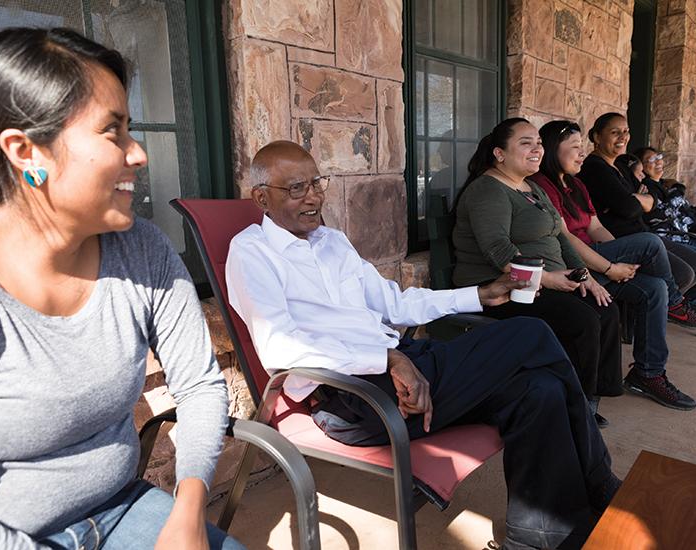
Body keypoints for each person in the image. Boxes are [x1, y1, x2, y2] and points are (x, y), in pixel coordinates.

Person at [0, 28, 241, 550]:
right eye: (113, 132)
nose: (139, 153)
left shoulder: (142, 249)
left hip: (121, 508)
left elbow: (198, 385)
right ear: (25, 150)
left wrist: (188, 512)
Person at [227, 140, 621, 550]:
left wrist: (479, 295)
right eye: (296, 189)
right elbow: (278, 349)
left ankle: (538, 536)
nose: (313, 197)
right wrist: (387, 356)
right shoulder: (252, 253)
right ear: (261, 197)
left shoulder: (333, 242)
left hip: (402, 365)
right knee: (531, 333)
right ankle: (599, 478)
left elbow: (394, 303)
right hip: (352, 397)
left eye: (317, 184)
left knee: (539, 390)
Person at [452, 118, 622, 425]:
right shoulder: (488, 191)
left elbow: (560, 236)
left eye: (539, 143)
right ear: (499, 154)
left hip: (539, 281)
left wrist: (585, 277)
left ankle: (589, 397)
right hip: (497, 289)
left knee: (604, 306)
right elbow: (499, 250)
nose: (536, 149)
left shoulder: (531, 188)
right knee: (580, 319)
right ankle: (572, 405)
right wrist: (549, 279)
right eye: (525, 143)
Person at [531, 120, 696, 410]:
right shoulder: (541, 187)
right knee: (649, 242)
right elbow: (566, 241)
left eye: (582, 147)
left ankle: (648, 374)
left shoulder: (576, 184)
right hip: (575, 266)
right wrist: (610, 267)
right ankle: (677, 304)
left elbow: (596, 228)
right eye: (574, 148)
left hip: (598, 257)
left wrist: (617, 262)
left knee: (655, 288)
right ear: (551, 150)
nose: (582, 153)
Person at [578, 113, 696, 326]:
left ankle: (661, 309)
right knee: (684, 274)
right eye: (615, 132)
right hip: (624, 239)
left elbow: (652, 201)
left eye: (626, 131)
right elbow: (630, 207)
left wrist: (638, 199)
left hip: (643, 232)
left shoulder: (620, 166)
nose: (623, 137)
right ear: (596, 136)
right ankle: (667, 307)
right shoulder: (594, 167)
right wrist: (637, 199)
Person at [631, 146, 696, 326]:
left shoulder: (668, 187)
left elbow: (688, 212)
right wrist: (694, 228)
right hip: (674, 240)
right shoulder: (647, 190)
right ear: (641, 167)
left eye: (659, 157)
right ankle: (692, 308)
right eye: (652, 160)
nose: (659, 162)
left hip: (690, 237)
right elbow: (662, 219)